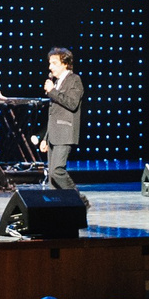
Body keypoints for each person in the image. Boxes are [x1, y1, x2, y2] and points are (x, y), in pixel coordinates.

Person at [40, 46, 82, 191]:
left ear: (65, 63)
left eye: (54, 63)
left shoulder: (74, 80)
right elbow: (53, 114)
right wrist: (45, 137)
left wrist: (52, 91)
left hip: (65, 132)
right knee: (52, 178)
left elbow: (72, 103)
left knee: (57, 171)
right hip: (54, 134)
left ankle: (79, 201)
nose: (50, 67)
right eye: (49, 63)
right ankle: (57, 207)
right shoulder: (57, 82)